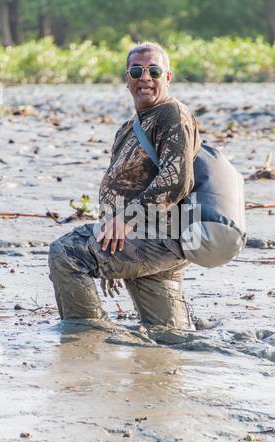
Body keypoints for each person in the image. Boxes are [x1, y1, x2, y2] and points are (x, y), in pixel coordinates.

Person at [48, 42, 201, 341]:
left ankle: (87, 338)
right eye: (137, 70)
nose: (145, 77)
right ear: (127, 78)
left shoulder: (172, 114)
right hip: (137, 240)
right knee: (171, 337)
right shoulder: (129, 127)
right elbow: (121, 186)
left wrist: (126, 221)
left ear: (167, 77)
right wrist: (109, 239)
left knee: (65, 253)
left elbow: (176, 179)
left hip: (158, 236)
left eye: (154, 70)